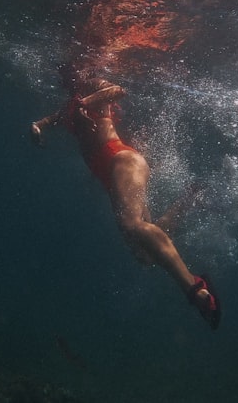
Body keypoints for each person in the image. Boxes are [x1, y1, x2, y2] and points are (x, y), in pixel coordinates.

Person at [30, 75, 221, 329]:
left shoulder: (93, 87)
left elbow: (118, 90)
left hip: (121, 160)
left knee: (130, 224)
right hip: (111, 174)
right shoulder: (69, 107)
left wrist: (85, 103)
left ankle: (195, 287)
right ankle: (184, 203)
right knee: (143, 254)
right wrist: (36, 128)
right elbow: (45, 122)